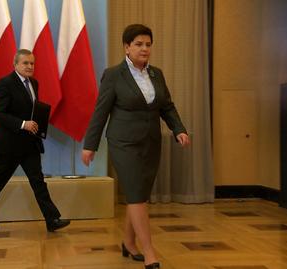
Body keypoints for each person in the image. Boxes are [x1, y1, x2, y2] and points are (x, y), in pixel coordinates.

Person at [82, 24, 190, 269]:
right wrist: (90, 145)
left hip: (151, 142)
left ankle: (128, 243)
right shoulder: (113, 75)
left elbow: (167, 107)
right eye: (139, 44)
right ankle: (150, 252)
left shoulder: (156, 74)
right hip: (123, 142)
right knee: (136, 194)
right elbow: (101, 112)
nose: (144, 49)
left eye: (148, 44)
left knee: (138, 195)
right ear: (127, 47)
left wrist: (179, 129)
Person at [0, 49, 70, 232]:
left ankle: (52, 219)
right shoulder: (5, 83)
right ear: (15, 64)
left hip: (30, 143)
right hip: (9, 144)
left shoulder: (34, 83)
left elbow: (32, 110)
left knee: (38, 182)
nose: (30, 66)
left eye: (32, 63)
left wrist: (37, 125)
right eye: (25, 63)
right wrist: (22, 124)